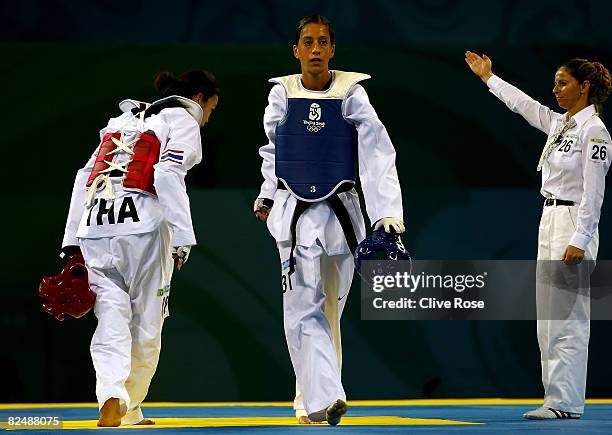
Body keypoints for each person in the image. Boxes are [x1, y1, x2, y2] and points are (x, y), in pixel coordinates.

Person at [254, 15, 405, 425]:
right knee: (304, 309)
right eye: (308, 42)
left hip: (342, 217)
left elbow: (377, 152)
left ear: (333, 50)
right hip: (295, 216)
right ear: (296, 50)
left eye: (323, 42)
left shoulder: (352, 93)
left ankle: (312, 401)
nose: (316, 49)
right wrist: (267, 194)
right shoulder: (281, 93)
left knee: (327, 314)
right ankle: (321, 398)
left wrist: (388, 215)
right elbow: (273, 150)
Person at [61, 70, 219, 426]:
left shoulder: (121, 120)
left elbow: (83, 179)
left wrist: (71, 243)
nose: (208, 117)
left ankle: (112, 395)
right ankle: (129, 406)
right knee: (147, 323)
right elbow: (166, 173)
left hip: (95, 226)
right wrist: (183, 235)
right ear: (199, 98)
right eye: (211, 108)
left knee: (111, 318)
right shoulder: (182, 117)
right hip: (142, 228)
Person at [465, 51, 611, 419]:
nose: (556, 89)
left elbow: (594, 193)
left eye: (563, 83)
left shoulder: (594, 131)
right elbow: (524, 105)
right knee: (548, 318)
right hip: (550, 219)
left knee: (569, 317)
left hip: (573, 222)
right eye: (556, 83)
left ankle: (567, 402)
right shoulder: (563, 124)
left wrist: (580, 238)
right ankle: (554, 399)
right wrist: (488, 78)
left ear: (585, 86)